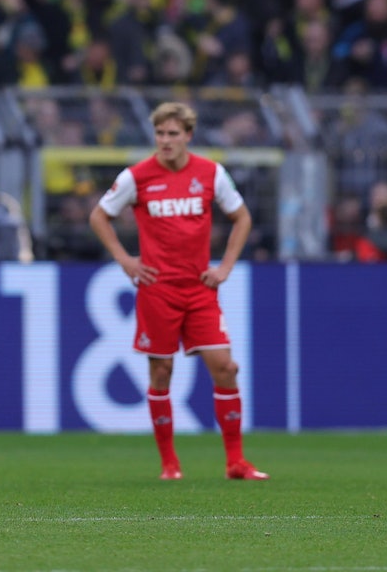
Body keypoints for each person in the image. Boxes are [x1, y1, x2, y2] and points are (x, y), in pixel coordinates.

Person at [88, 101, 268, 481]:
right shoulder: (137, 177)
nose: (165, 141)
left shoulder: (210, 173)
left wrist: (225, 267)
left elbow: (242, 217)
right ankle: (170, 464)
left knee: (225, 367)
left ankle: (236, 462)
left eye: (173, 134)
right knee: (161, 373)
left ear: (188, 135)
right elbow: (99, 215)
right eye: (160, 134)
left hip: (199, 289)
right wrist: (126, 261)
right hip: (158, 290)